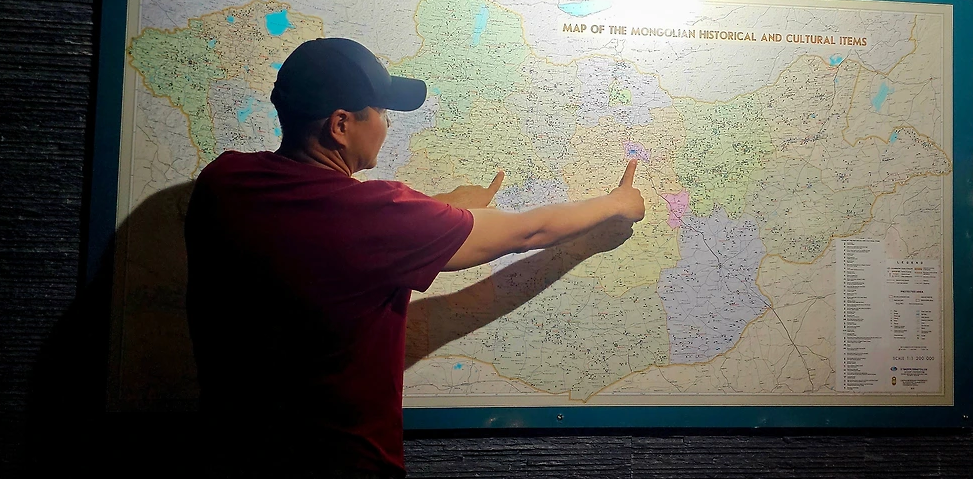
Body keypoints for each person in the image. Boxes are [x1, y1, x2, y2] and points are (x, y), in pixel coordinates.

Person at [184, 37, 645, 478]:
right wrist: (616, 203)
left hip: (228, 453)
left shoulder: (224, 181)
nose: (386, 124)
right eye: (382, 112)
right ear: (341, 125)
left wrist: (444, 211)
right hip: (341, 462)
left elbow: (318, 234)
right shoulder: (378, 216)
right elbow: (529, 231)